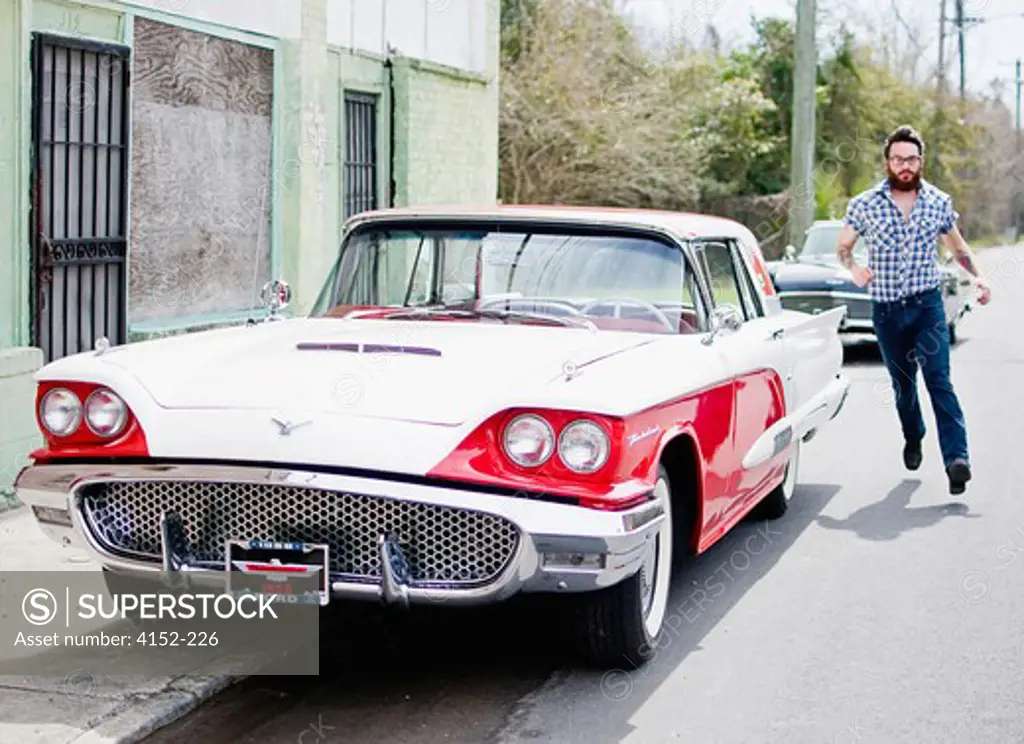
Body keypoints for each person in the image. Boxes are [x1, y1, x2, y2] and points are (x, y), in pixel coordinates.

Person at [836, 125, 992, 495]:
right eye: (897, 159)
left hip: (927, 306)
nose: (904, 166)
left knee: (939, 380)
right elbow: (843, 248)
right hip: (888, 311)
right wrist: (854, 268)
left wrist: (981, 277)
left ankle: (958, 460)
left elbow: (958, 249)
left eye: (911, 159)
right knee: (903, 387)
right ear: (888, 162)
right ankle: (914, 434)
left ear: (920, 161)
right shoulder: (864, 204)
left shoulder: (938, 202)